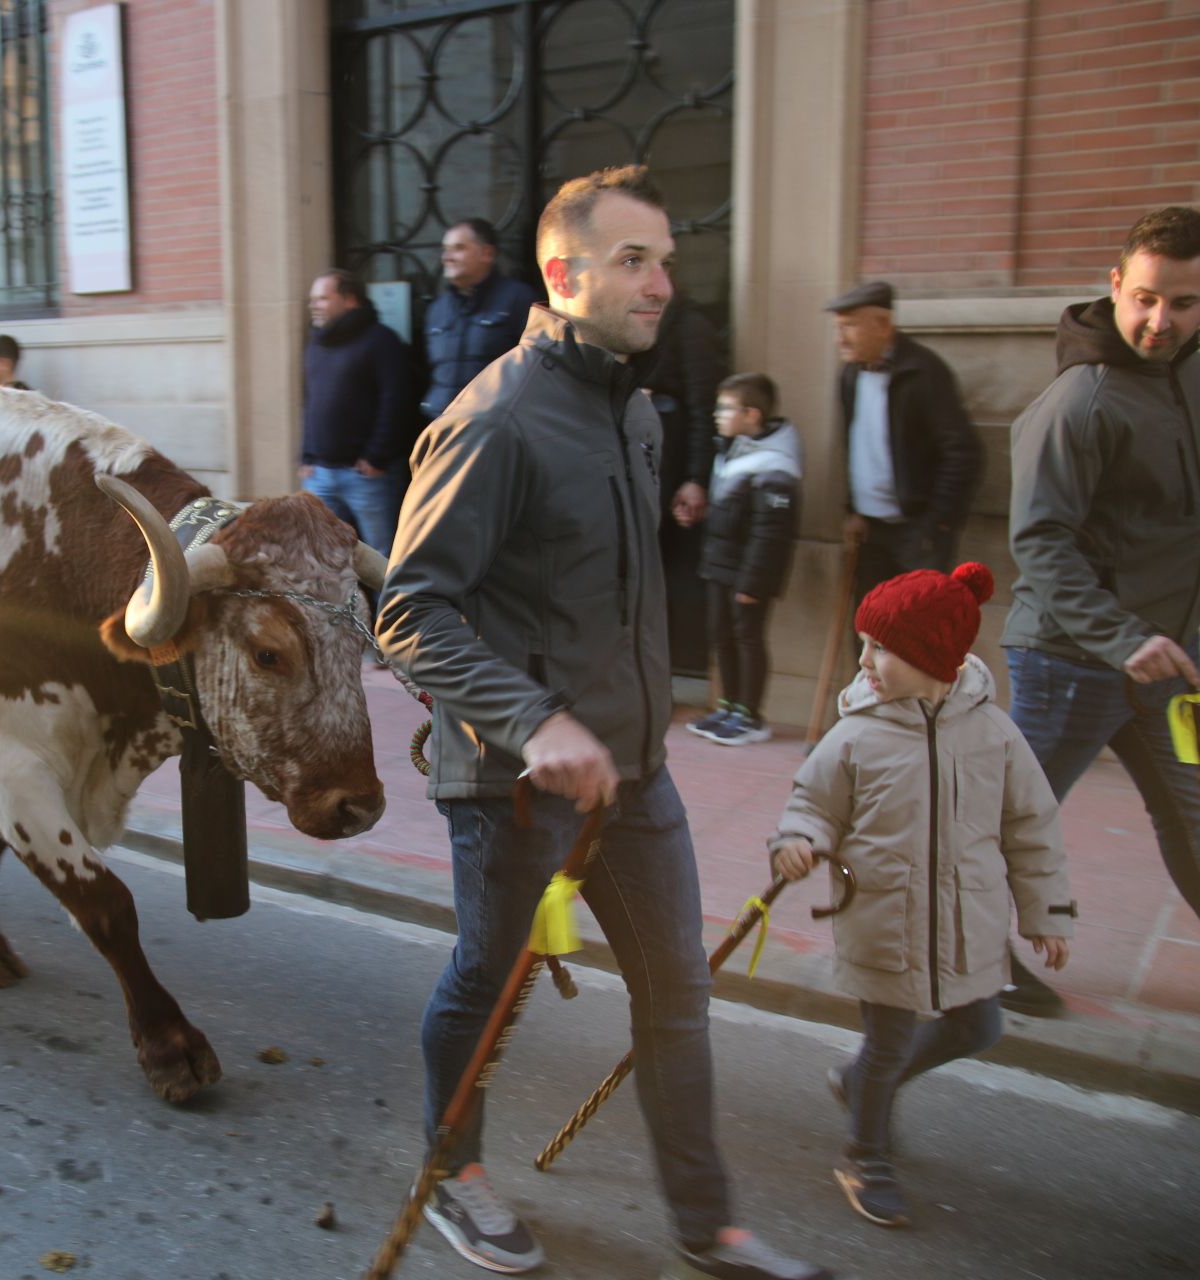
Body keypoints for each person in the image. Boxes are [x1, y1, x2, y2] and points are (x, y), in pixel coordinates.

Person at [376, 166, 829, 1280]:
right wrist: (536, 722)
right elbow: (408, 610)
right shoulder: (494, 419)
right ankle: (454, 1174)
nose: (662, 282)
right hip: (513, 777)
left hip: (635, 770)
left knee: (679, 991)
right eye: (635, 260)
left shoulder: (632, 405)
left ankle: (707, 1221)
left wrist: (631, 730)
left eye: (666, 259)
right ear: (563, 272)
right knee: (486, 980)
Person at [770, 562, 1073, 1228]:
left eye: (882, 648)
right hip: (882, 915)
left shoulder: (995, 736)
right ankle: (864, 1154)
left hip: (970, 921)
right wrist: (798, 840)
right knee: (887, 1041)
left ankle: (855, 1086)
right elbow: (813, 802)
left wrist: (1046, 912)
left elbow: (1031, 827)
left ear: (940, 656)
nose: (865, 660)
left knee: (979, 1025)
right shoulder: (856, 734)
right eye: (864, 644)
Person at [1000, 205, 1200, 1017]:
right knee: (1013, 824)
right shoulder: (1081, 400)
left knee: (1198, 820)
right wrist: (1121, 637)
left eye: (1182, 303)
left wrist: (1169, 635)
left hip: (1162, 662)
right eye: (1143, 298)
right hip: (1069, 658)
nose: (1158, 320)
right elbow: (1040, 543)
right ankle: (968, 955)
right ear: (1115, 285)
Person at [828, 282, 983, 607]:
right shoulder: (850, 375)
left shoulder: (923, 371)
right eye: (838, 328)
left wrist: (937, 521)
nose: (840, 339)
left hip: (917, 532)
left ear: (883, 325)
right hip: (869, 531)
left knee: (914, 632)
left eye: (850, 327)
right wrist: (853, 509)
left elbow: (963, 452)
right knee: (869, 628)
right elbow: (854, 446)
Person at [683, 372, 802, 746]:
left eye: (725, 408)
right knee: (722, 637)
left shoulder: (775, 464)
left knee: (746, 637)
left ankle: (750, 715)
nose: (717, 415)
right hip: (720, 564)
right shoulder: (732, 449)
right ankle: (729, 705)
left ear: (752, 415)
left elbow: (771, 532)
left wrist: (754, 582)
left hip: (746, 573)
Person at [640, 291, 725, 674]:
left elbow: (703, 407)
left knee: (667, 582)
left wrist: (696, 479)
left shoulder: (691, 328)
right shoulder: (625, 320)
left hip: (672, 476)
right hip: (636, 469)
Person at [300, 269, 412, 555]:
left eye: (323, 298)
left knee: (381, 556)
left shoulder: (381, 340)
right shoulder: (317, 343)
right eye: (313, 299)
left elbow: (395, 402)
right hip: (320, 474)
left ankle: (387, 603)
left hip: (366, 477)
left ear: (349, 300)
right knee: (322, 555)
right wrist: (307, 454)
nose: (313, 305)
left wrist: (376, 455)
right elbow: (312, 402)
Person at [419, 218, 535, 421]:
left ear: (487, 253)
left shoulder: (518, 299)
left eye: (459, 248)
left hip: (494, 428)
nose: (447, 257)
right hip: (441, 426)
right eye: (445, 249)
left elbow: (535, 370)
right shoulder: (437, 308)